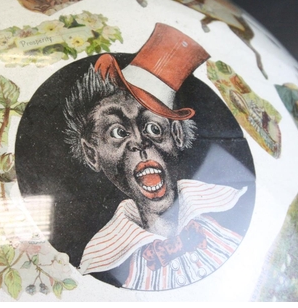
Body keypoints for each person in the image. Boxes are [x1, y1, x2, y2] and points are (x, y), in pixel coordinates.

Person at [63, 23, 247, 290]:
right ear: (92, 153)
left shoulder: (233, 206)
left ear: (177, 134)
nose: (139, 142)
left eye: (153, 128)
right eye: (118, 132)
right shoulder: (98, 262)